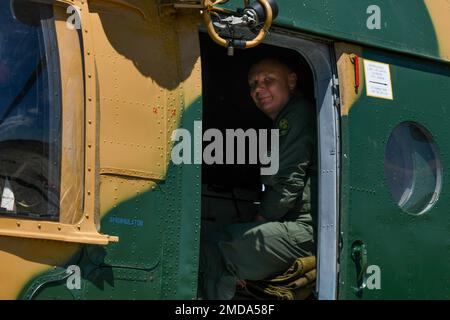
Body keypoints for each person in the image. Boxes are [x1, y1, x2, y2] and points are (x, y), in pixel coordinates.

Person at [198, 57, 317, 300]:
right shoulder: (287, 120)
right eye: (253, 84)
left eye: (268, 81)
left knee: (215, 251)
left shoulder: (296, 115)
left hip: (305, 230)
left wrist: (258, 221)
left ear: (291, 81)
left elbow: (287, 183)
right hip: (295, 225)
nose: (258, 89)